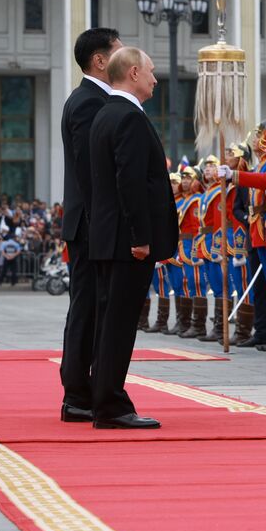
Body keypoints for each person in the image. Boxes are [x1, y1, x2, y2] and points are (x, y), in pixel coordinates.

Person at [88, 47, 178, 430]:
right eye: (152, 72)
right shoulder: (128, 117)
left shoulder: (105, 115)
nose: (156, 80)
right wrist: (142, 237)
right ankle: (111, 405)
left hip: (110, 237)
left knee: (111, 322)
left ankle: (105, 399)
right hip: (129, 242)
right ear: (134, 72)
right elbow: (131, 182)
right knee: (120, 324)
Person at [58, 26, 122, 424]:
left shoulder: (96, 100)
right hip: (90, 226)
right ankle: (78, 394)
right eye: (117, 52)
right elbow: (90, 171)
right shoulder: (88, 103)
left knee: (94, 308)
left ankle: (83, 391)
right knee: (87, 309)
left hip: (91, 224)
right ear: (99, 61)